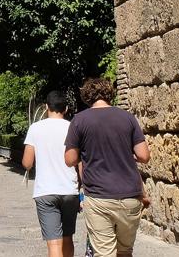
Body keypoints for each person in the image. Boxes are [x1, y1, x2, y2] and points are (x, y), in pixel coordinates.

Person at [64, 78, 150, 257]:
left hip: (99, 196)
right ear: (110, 94)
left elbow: (70, 159)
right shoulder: (128, 118)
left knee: (104, 253)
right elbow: (144, 156)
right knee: (125, 252)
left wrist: (87, 153)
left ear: (87, 96)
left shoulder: (79, 121)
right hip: (130, 196)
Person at [23, 91, 80, 257]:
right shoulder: (72, 127)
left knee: (54, 243)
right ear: (67, 108)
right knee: (68, 237)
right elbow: (79, 160)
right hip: (70, 189)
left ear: (46, 107)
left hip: (45, 191)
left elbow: (27, 163)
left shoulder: (35, 128)